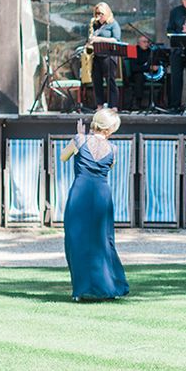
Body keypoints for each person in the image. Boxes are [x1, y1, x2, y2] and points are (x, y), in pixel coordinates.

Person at [60, 108, 129, 302]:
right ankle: (109, 286)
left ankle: (80, 289)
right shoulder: (113, 149)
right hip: (101, 195)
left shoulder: (79, 140)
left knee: (77, 240)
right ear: (108, 129)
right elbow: (109, 166)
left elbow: (63, 157)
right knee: (102, 240)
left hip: (80, 193)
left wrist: (79, 137)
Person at [89, 2, 121, 109]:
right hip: (97, 56)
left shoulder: (113, 24)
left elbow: (116, 39)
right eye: (97, 13)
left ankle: (113, 106)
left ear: (107, 13)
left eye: (101, 13)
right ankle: (99, 105)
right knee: (96, 81)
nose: (99, 16)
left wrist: (99, 39)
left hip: (109, 57)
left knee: (110, 81)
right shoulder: (95, 24)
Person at [125, 35, 159, 111]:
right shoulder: (132, 50)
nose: (146, 44)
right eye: (144, 42)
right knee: (139, 77)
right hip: (136, 75)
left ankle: (156, 104)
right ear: (138, 43)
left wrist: (156, 68)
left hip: (150, 74)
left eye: (148, 42)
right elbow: (134, 68)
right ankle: (137, 103)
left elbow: (156, 63)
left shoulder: (151, 51)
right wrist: (148, 68)